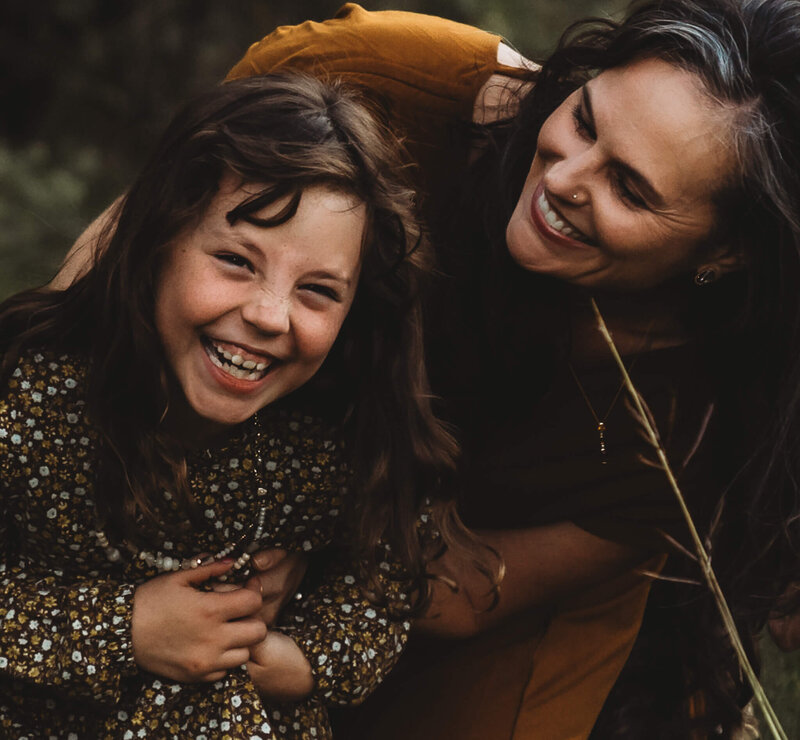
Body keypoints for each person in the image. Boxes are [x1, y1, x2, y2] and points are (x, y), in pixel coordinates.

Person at [220, 1, 800, 738]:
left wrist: (317, 552)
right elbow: (145, 254)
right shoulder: (400, 82)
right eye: (585, 120)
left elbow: (465, 592)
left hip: (464, 626)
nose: (564, 177)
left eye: (630, 188)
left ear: (727, 253)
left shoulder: (710, 415)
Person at [0, 71, 490, 739]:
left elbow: (380, 596)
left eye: (318, 291)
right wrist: (124, 627)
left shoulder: (336, 439)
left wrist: (298, 662)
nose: (268, 314)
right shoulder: (39, 394)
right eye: (235, 260)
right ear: (157, 245)